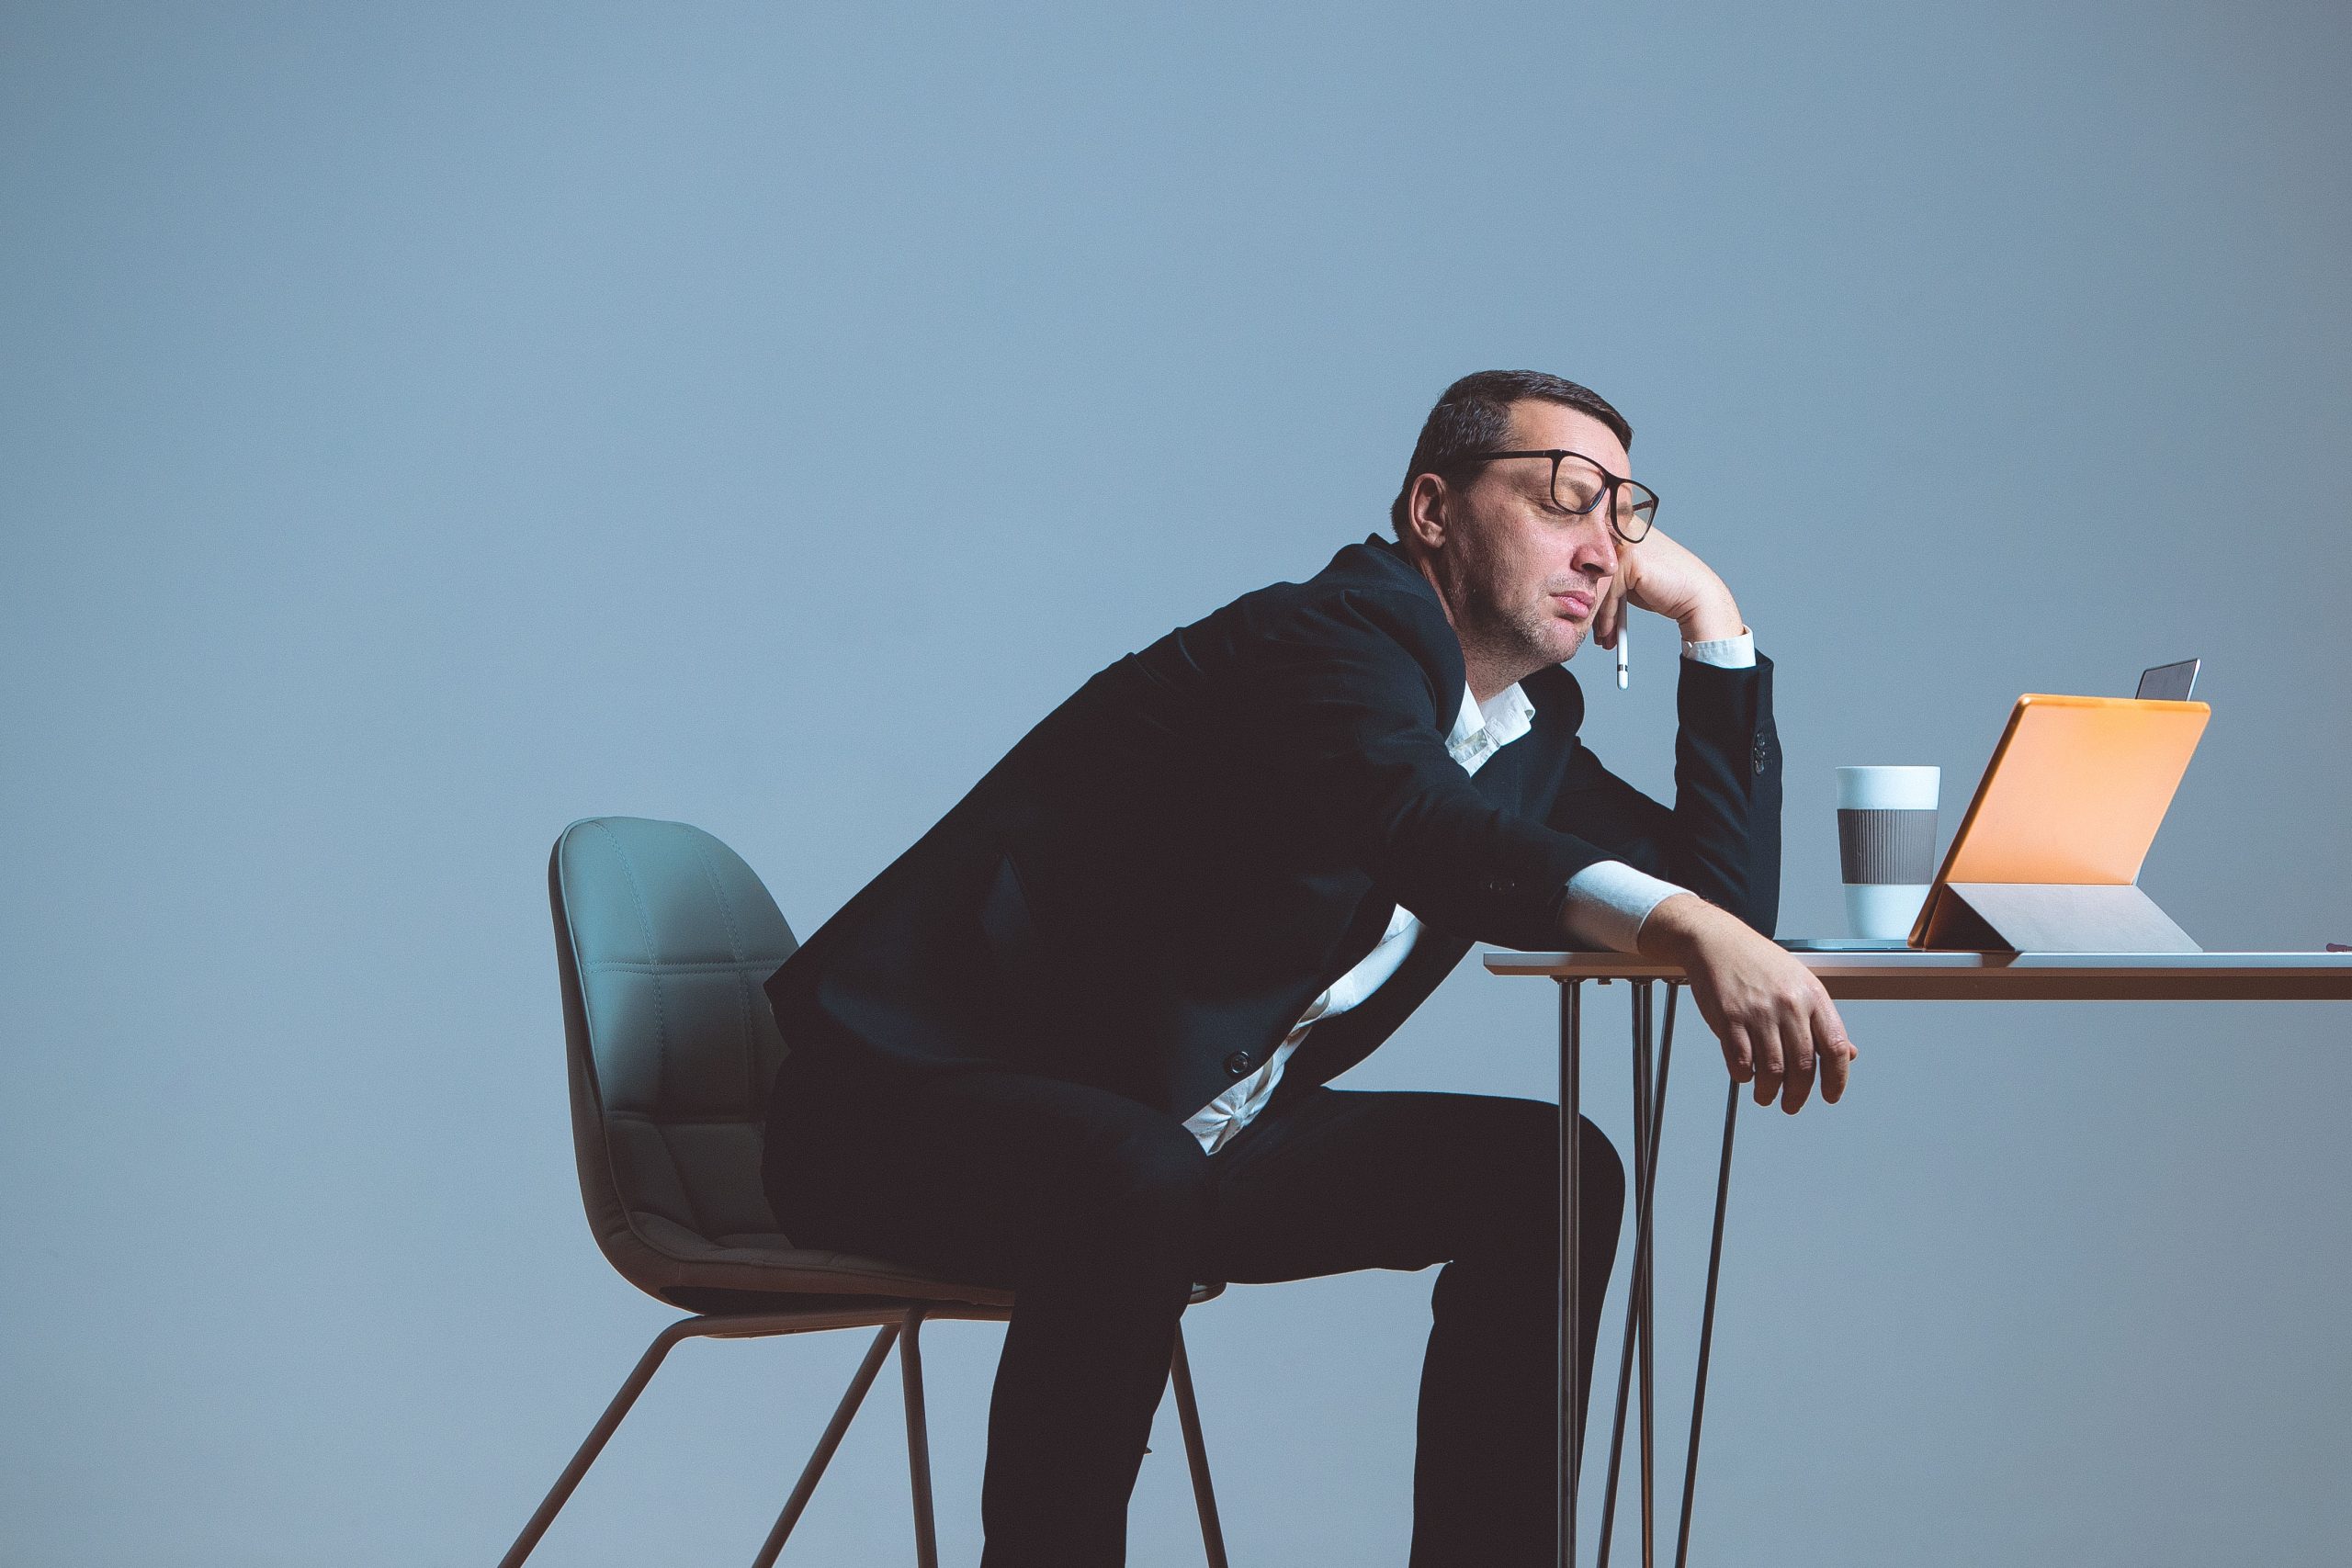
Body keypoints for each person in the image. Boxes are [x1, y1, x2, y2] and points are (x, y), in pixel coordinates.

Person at [761, 369, 1859, 1567]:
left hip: (1169, 1129)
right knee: (1136, 1177)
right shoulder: (1329, 641)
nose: (1602, 547)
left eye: (1626, 516)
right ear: (1431, 511)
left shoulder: (1525, 731)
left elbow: (1724, 911)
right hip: (902, 1111)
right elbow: (1423, 828)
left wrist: (1715, 619)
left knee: (1551, 1175)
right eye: (1562, 497)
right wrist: (1690, 932)